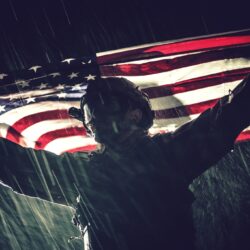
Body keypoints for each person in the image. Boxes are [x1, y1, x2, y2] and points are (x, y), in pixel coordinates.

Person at [0, 75, 250, 250]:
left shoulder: (168, 153)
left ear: (136, 113)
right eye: (93, 114)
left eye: (106, 106)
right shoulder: (82, 172)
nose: (97, 117)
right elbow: (15, 167)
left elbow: (226, 116)